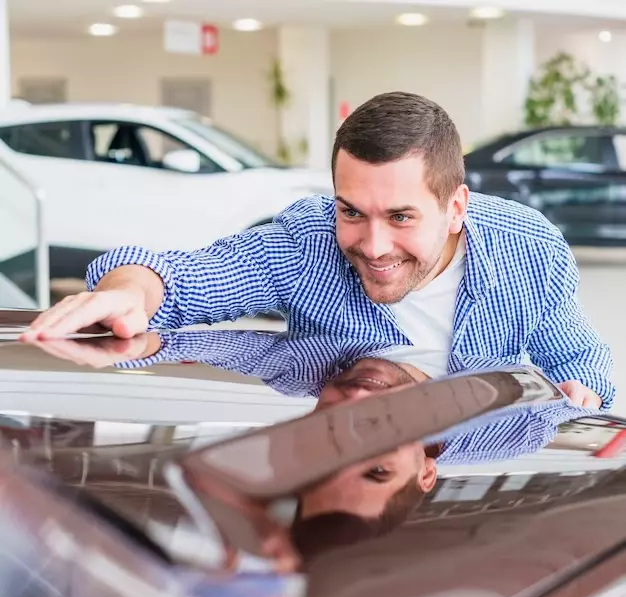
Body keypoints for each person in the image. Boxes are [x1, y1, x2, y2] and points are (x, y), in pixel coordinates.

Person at [21, 91, 613, 409]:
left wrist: (579, 394)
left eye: (402, 217)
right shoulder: (308, 239)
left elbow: (578, 360)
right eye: (351, 210)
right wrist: (130, 289)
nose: (373, 246)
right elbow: (192, 276)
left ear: (456, 206)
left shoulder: (527, 246)